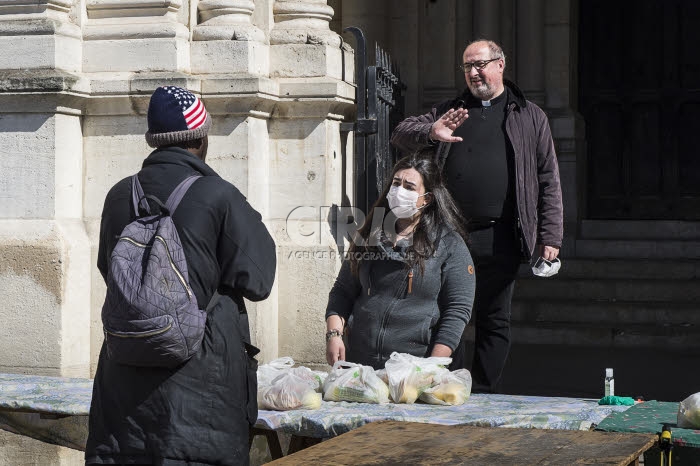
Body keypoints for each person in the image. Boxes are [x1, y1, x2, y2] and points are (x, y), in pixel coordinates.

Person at [86, 86, 277, 466]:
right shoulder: (219, 195)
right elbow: (259, 279)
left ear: (153, 140)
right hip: (202, 386)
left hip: (123, 384)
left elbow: (111, 270)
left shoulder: (119, 194)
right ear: (201, 138)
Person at [390, 39, 563, 393]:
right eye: (467, 67)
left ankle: (483, 391)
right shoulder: (451, 110)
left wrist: (551, 235)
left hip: (502, 235)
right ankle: (436, 387)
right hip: (449, 235)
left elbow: (548, 177)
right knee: (442, 313)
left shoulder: (529, 115)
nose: (473, 73)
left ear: (501, 64)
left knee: (494, 319)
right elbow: (399, 133)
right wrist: (431, 131)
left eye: (480, 64)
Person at [325, 155, 475, 370]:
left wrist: (434, 365)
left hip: (415, 368)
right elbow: (342, 291)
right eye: (396, 184)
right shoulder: (369, 235)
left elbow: (457, 310)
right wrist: (334, 334)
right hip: (361, 368)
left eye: (409, 187)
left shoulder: (448, 244)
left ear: (427, 199)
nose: (399, 192)